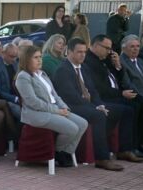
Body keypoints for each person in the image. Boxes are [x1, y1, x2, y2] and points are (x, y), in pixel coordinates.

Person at [52, 38, 125, 171]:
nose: (82, 55)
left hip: (88, 104)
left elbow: (93, 90)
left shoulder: (84, 68)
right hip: (71, 106)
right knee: (98, 116)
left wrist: (100, 104)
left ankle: (105, 145)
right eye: (79, 52)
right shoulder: (63, 70)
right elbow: (71, 96)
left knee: (117, 110)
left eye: (84, 52)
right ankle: (102, 158)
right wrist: (95, 107)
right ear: (69, 52)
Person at [15, 46, 88, 168]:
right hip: (37, 114)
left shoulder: (42, 74)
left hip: (54, 109)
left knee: (82, 123)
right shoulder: (23, 77)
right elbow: (34, 102)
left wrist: (65, 108)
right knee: (72, 128)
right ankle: (58, 152)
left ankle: (64, 152)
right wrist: (57, 111)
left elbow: (55, 95)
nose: (39, 60)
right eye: (35, 58)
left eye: (40, 57)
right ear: (27, 60)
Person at [83, 35, 143, 162]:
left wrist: (118, 65)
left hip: (114, 93)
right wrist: (121, 94)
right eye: (106, 48)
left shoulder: (105, 58)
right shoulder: (89, 61)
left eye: (110, 49)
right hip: (103, 98)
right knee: (129, 109)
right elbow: (99, 88)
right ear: (95, 46)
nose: (109, 51)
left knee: (141, 103)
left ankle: (136, 145)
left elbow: (118, 78)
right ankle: (125, 149)